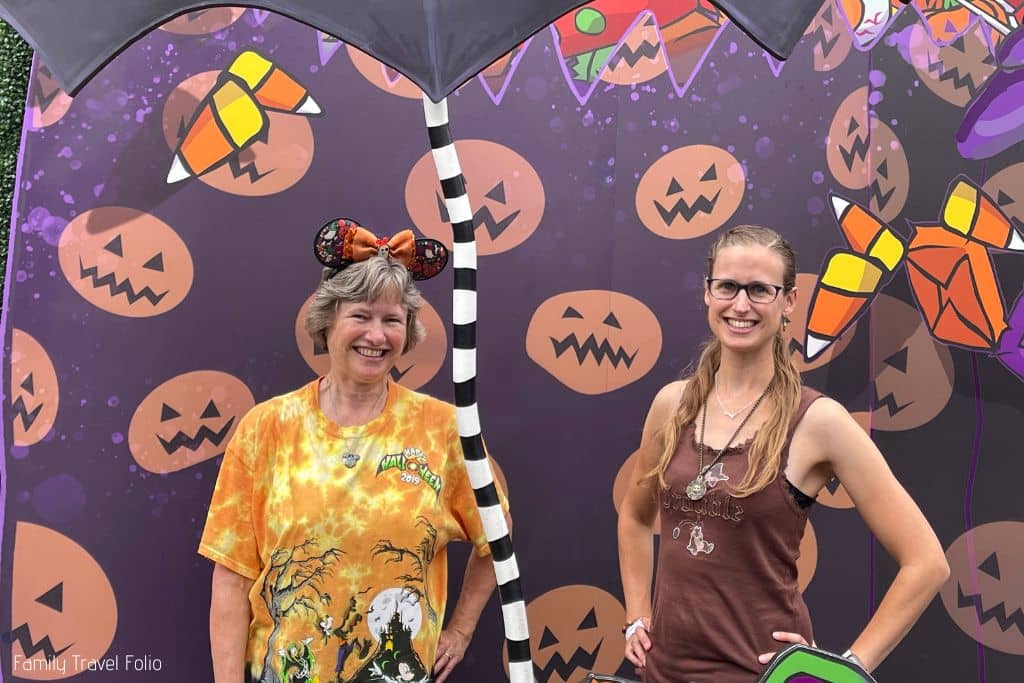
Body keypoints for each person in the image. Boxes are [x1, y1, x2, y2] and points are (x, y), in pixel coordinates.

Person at [617, 225, 949, 682]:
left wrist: (843, 670)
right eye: (728, 286)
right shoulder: (672, 406)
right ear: (708, 293)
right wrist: (637, 615)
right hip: (663, 673)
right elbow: (635, 518)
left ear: (788, 301)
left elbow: (927, 562)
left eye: (760, 290)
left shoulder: (819, 422)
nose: (740, 305)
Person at [199, 219, 507, 683]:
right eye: (361, 316)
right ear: (328, 321)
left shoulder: (444, 430)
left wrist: (460, 631)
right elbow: (232, 576)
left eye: (392, 320)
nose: (377, 336)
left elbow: (497, 539)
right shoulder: (266, 428)